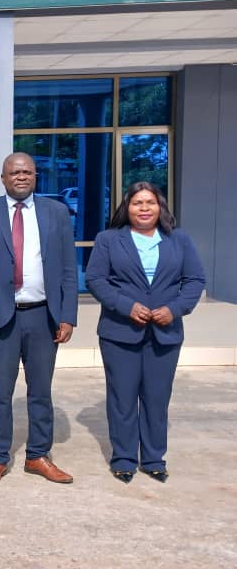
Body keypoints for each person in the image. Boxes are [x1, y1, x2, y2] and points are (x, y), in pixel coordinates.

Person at [0, 152, 78, 487]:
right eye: (14, 172)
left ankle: (38, 455)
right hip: (1, 318)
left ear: (35, 176)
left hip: (44, 315)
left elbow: (69, 269)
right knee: (0, 393)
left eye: (27, 171)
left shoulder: (56, 212)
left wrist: (68, 315)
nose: (21, 176)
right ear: (3, 178)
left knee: (41, 391)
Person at [85, 182, 205, 484]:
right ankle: (124, 458)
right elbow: (96, 280)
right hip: (120, 331)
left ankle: (153, 459)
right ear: (127, 207)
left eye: (150, 202)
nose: (144, 208)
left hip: (165, 332)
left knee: (156, 398)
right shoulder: (109, 239)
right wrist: (126, 306)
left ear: (160, 206)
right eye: (137, 202)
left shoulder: (179, 239)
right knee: (122, 398)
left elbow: (194, 280)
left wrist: (175, 309)